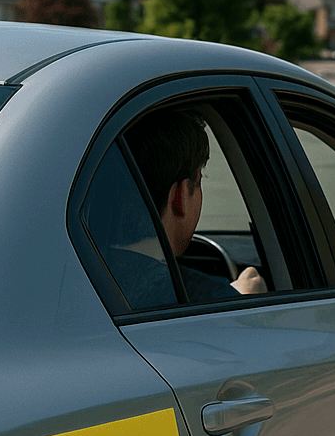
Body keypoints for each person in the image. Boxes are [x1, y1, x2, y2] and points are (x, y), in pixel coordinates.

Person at [113, 108, 267, 304]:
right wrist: (243, 301)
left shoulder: (76, 273)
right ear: (181, 196)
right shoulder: (213, 301)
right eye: (199, 179)